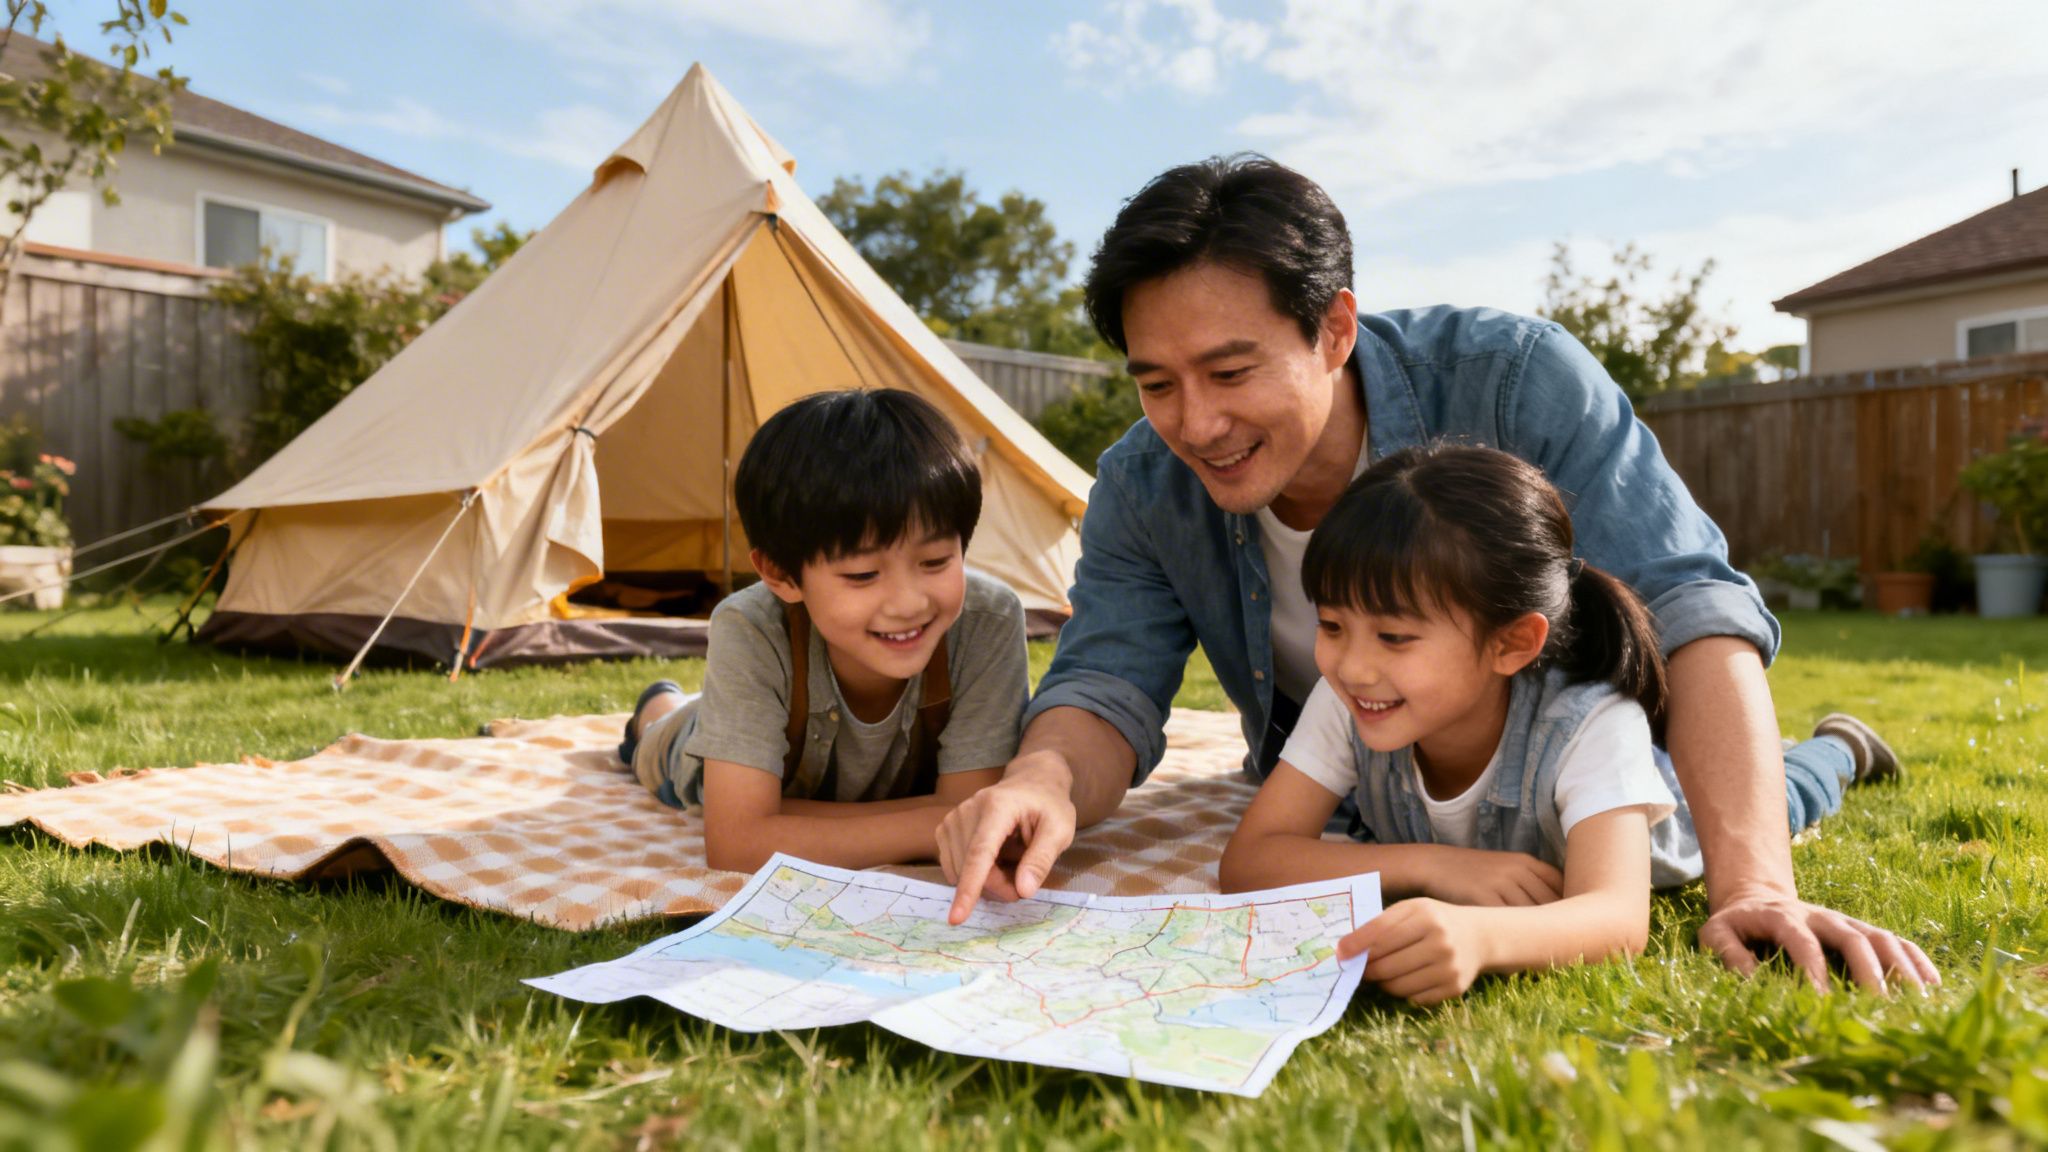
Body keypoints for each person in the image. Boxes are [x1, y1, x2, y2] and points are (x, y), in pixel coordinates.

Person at [937, 154, 1937, 994]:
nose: (1194, 424)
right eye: (1156, 384)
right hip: (1374, 787)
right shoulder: (1143, 483)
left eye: (1231, 372)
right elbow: (1105, 679)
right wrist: (1042, 779)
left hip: (1567, 750)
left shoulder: (1513, 378)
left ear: (1333, 330)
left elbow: (1689, 609)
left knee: (1673, 830)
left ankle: (1832, 754)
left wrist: (1754, 886)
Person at [1218, 444, 1897, 1004]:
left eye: (1394, 636)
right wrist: (1437, 866)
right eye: (1332, 626)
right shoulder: (1351, 699)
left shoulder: (1591, 722)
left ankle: (1837, 747)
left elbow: (1617, 918)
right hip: (1562, 814)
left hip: (1669, 821)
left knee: (1786, 793)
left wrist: (1481, 939)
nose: (1352, 665)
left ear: (1512, 643)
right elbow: (1252, 860)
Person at [620, 388, 1028, 873]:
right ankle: (655, 709)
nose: (908, 603)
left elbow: (972, 817)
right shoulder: (751, 625)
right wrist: (933, 823)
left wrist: (777, 822)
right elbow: (735, 844)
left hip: (787, 775)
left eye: (936, 561)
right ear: (780, 575)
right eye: (862, 575)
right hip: (687, 755)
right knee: (666, 734)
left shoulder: (989, 619)